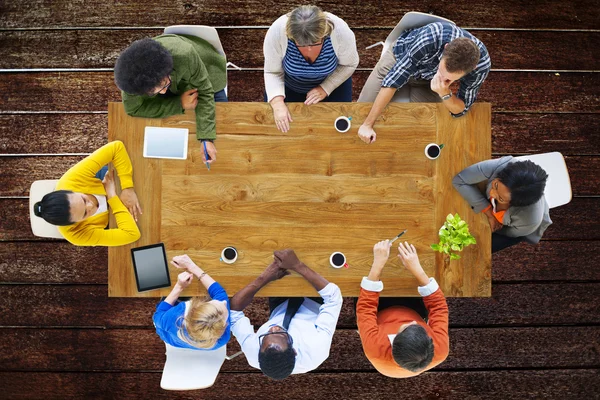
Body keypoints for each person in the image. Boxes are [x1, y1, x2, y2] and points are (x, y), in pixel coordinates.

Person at [357, 21, 491, 144]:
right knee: (361, 112)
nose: (443, 78)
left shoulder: (481, 66)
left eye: (449, 79)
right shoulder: (432, 36)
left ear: (473, 69)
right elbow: (394, 79)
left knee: (425, 129)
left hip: (427, 81)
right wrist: (367, 124)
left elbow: (461, 109)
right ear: (446, 47)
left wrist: (445, 93)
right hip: (399, 59)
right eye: (441, 70)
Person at [229, 249, 343, 380]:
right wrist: (297, 265)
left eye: (267, 335)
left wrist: (265, 277)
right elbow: (333, 298)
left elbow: (233, 311)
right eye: (281, 334)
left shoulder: (254, 353)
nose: (273, 328)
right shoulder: (316, 349)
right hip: (316, 299)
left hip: (280, 305)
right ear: (294, 351)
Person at [114, 34, 227, 164]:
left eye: (163, 85)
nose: (162, 93)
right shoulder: (132, 81)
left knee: (223, 125)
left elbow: (206, 91)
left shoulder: (185, 54)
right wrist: (179, 104)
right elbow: (133, 109)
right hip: (178, 86)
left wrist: (207, 138)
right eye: (153, 92)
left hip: (207, 72)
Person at [357, 240, 449, 378]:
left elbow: (365, 309)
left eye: (405, 327)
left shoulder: (374, 350)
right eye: (419, 326)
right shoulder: (440, 349)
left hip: (377, 314)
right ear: (430, 342)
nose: (411, 322)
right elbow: (439, 308)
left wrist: (377, 265)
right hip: (414, 309)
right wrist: (417, 269)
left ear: (394, 342)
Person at [264, 5, 359, 132]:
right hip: (288, 86)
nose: (308, 49)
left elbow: (349, 64)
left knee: (335, 130)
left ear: (324, 33)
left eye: (314, 43)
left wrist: (326, 87)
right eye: (301, 44)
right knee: (282, 129)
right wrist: (277, 103)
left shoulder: (340, 31)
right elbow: (272, 71)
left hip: (334, 85)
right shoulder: (277, 31)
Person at [33, 141, 141, 246]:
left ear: (72, 191)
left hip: (106, 181)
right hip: (112, 215)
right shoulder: (75, 235)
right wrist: (111, 196)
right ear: (74, 223)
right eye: (85, 213)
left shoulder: (70, 180)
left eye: (84, 200)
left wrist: (128, 188)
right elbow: (131, 234)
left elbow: (116, 147)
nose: (91, 205)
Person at [452, 156, 551, 253]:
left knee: (477, 248)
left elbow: (509, 233)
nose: (491, 193)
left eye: (501, 198)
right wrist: (489, 212)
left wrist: (494, 229)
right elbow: (459, 180)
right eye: (495, 185)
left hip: (516, 229)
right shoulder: (502, 165)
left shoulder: (529, 221)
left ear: (514, 204)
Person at [153, 255, 230, 350]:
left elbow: (157, 316)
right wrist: (191, 267)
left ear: (195, 308)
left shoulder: (174, 316)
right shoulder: (222, 339)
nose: (224, 302)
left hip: (169, 336)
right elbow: (220, 293)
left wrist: (179, 286)